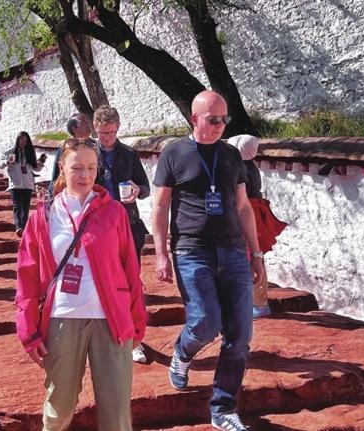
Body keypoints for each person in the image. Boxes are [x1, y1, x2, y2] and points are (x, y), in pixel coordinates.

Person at [16, 138, 147, 431]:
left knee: (117, 414)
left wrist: (137, 321)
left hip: (110, 321)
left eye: (91, 167)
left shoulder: (114, 212)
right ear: (62, 167)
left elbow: (130, 269)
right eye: (77, 167)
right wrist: (28, 330)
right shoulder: (44, 216)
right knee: (59, 407)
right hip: (61, 319)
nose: (85, 175)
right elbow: (27, 276)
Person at [152, 90, 264, 431]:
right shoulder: (174, 152)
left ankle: (223, 407)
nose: (220, 125)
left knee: (240, 336)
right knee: (205, 322)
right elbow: (160, 206)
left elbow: (243, 206)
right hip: (191, 251)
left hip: (233, 251)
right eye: (213, 119)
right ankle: (183, 352)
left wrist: (256, 253)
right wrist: (161, 254)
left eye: (224, 119)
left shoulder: (231, 155)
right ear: (194, 119)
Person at [90, 105, 152, 363]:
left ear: (118, 129)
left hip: (127, 224)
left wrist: (138, 190)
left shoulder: (128, 154)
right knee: (98, 282)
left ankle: (133, 338)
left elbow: (146, 188)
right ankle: (100, 337)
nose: (106, 138)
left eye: (111, 132)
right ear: (95, 129)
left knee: (130, 282)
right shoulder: (87, 153)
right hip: (95, 229)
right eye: (102, 133)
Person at [229, 134, 288, 320]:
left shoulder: (240, 169)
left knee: (252, 256)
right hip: (253, 211)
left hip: (247, 213)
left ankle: (258, 303)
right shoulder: (249, 166)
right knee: (252, 256)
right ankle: (254, 301)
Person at [0, 131, 46, 236]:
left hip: (27, 184)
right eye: (21, 140)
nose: (23, 142)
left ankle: (23, 227)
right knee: (17, 205)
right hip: (15, 183)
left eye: (25, 140)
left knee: (25, 206)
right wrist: (7, 162)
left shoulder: (30, 152)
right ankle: (18, 226)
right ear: (17, 140)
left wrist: (41, 162)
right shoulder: (10, 151)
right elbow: (0, 164)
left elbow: (36, 168)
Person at [48, 113, 92, 196]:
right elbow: (56, 177)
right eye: (83, 121)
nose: (88, 123)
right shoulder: (65, 149)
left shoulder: (95, 147)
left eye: (87, 120)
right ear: (74, 128)